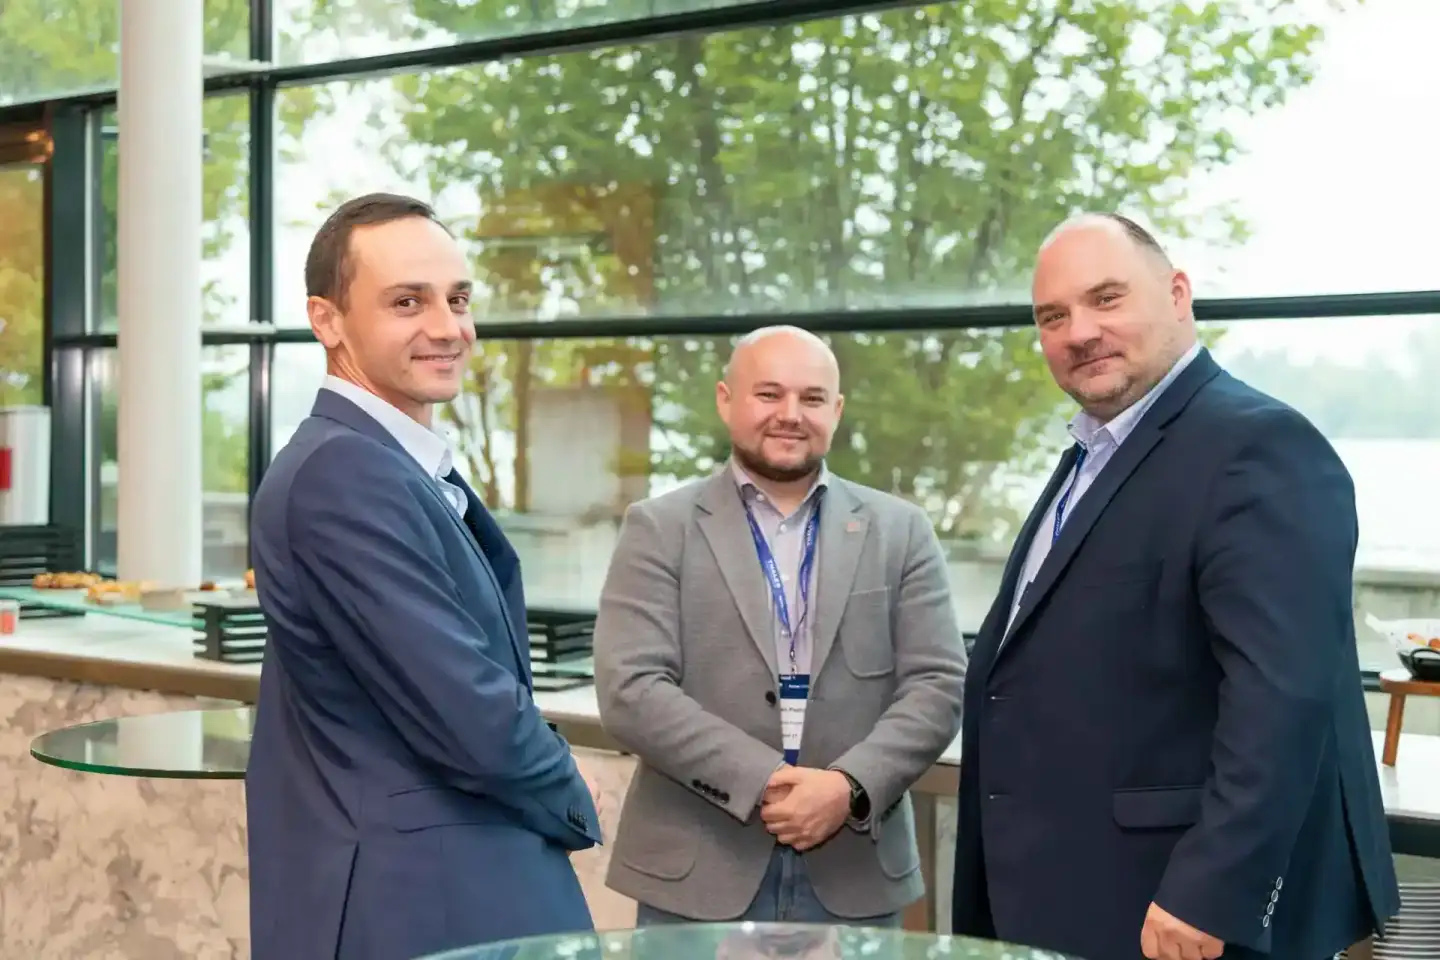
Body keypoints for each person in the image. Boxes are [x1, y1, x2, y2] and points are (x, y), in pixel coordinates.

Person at [950, 214, 1400, 960]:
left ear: (1179, 294)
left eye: (1106, 299)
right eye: (1052, 316)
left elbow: (1282, 698)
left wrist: (1211, 890)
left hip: (1176, 913)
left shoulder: (1256, 446)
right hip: (1070, 889)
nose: (1079, 331)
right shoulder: (1093, 453)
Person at [246, 193, 601, 960]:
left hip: (445, 883)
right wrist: (570, 790)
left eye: (458, 299)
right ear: (327, 320)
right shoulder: (341, 474)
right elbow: (465, 711)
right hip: (421, 903)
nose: (448, 328)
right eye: (408, 301)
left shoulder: (382, 463)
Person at [594, 325, 967, 926]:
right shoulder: (659, 528)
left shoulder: (901, 530)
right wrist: (765, 779)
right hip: (696, 867)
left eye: (812, 398)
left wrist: (846, 787)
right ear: (725, 400)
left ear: (837, 410)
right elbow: (631, 689)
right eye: (768, 394)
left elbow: (938, 685)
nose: (790, 415)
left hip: (856, 869)